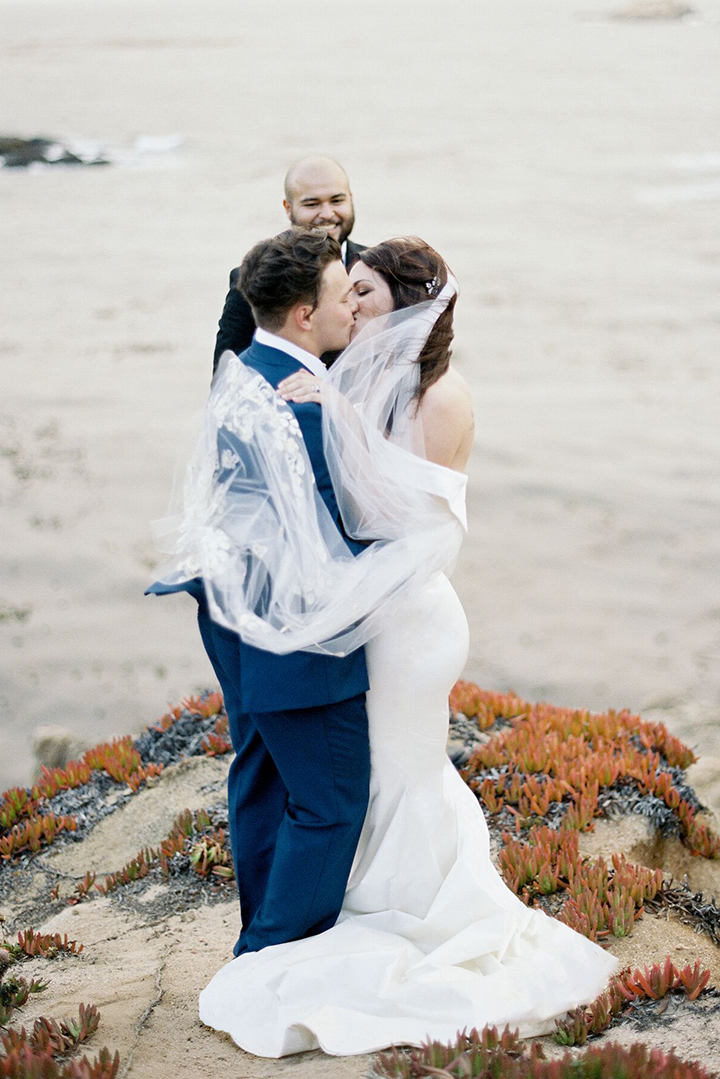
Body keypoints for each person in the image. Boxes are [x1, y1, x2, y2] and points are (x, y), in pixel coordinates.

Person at [187, 235, 620, 1056]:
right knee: (379, 772)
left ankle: (425, 911)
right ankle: (355, 906)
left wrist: (335, 416)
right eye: (345, 291)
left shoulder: (441, 396)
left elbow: (407, 518)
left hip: (411, 616)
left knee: (401, 768)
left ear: (404, 309)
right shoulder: (348, 378)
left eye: (366, 294)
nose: (352, 306)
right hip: (371, 614)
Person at [147, 229, 371, 959]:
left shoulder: (238, 373)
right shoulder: (306, 409)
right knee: (332, 800)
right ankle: (267, 957)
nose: (354, 307)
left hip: (230, 613)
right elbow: (348, 533)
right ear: (305, 315)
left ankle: (261, 928)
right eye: (342, 296)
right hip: (293, 634)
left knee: (263, 778)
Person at [212, 155, 366, 373]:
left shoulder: (377, 268)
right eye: (312, 204)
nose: (327, 214)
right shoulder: (261, 276)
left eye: (337, 201)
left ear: (350, 199)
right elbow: (228, 375)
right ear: (288, 208)